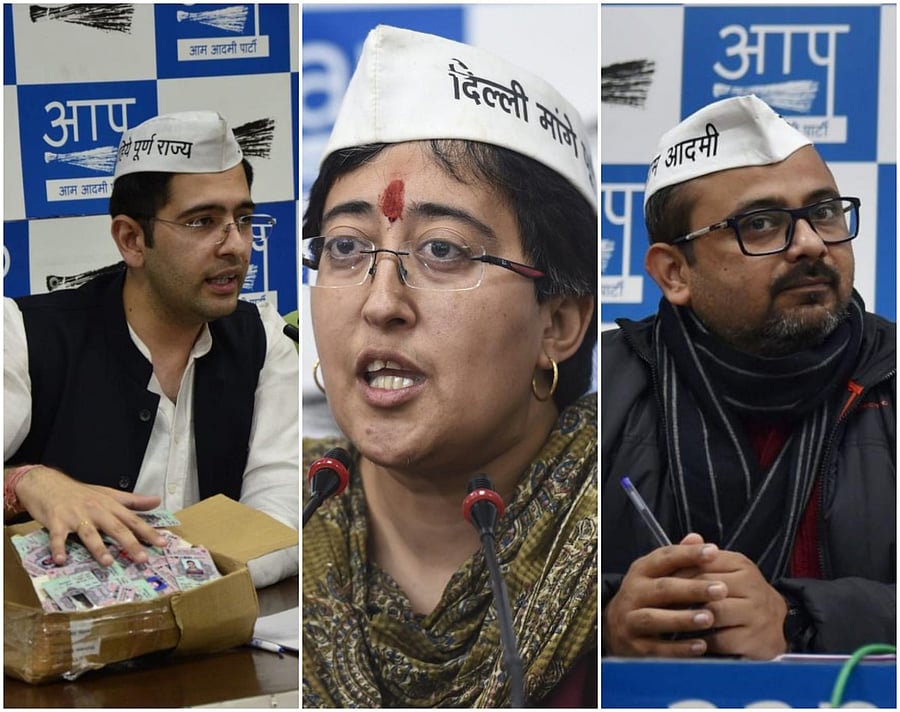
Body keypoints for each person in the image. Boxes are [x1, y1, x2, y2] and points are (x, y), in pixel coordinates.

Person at [302, 25, 597, 707]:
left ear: (557, 321)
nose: (382, 303)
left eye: (442, 250)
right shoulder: (292, 523)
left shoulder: (628, 528)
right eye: (345, 246)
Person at [601, 95, 895, 659]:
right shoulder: (599, 392)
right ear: (674, 272)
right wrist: (608, 621)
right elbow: (501, 597)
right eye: (760, 224)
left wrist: (798, 621)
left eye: (825, 212)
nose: (810, 243)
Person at [4, 111, 299, 588]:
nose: (237, 246)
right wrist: (29, 482)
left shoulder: (265, 339)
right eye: (203, 222)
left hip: (211, 636)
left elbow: (281, 514)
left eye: (242, 219)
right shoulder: (24, 334)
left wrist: (171, 582)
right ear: (132, 240)